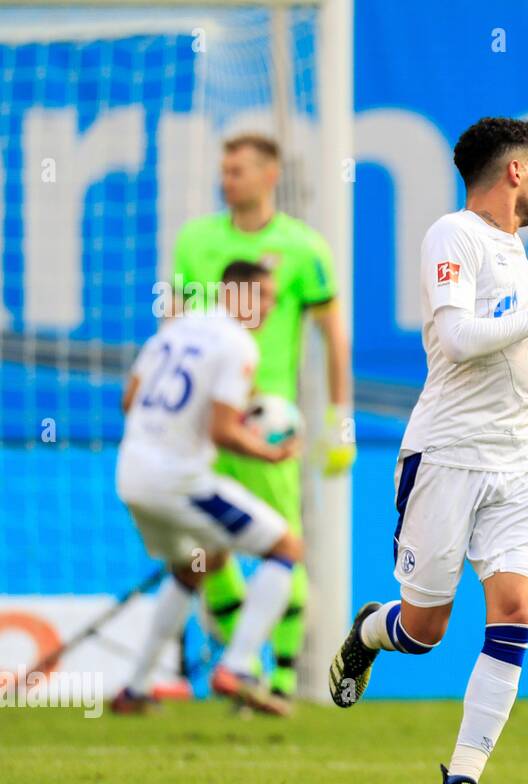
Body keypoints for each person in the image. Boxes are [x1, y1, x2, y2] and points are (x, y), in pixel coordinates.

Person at [328, 117, 528, 784]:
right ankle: (368, 631)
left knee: (516, 610)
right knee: (423, 632)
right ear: (513, 171)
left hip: (518, 464)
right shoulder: (453, 235)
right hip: (448, 457)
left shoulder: (512, 248)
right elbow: (454, 340)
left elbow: (495, 346)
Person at [169, 133, 354, 703]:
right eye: (224, 170)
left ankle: (282, 672)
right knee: (206, 545)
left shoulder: (303, 247)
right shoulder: (195, 241)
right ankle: (240, 666)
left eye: (239, 170)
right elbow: (175, 323)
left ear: (271, 175)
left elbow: (333, 334)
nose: (228, 179)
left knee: (281, 538)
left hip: (269, 417)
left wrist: (338, 416)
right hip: (203, 415)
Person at [114, 261, 301, 717]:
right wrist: (269, 452)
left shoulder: (175, 331)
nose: (271, 309)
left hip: (132, 473)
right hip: (179, 480)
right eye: (265, 298)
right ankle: (238, 666)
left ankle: (135, 690)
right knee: (285, 547)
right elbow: (222, 431)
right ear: (238, 295)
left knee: (195, 565)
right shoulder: (238, 344)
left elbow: (128, 400)